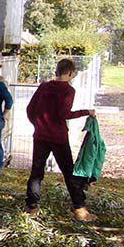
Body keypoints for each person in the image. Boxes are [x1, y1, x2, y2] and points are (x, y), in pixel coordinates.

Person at [25, 58, 97, 221]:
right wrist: (87, 112)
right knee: (69, 171)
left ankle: (31, 206)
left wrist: (38, 125)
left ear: (57, 71)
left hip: (40, 136)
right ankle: (80, 209)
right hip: (58, 137)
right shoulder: (68, 91)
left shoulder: (44, 87)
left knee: (37, 171)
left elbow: (30, 109)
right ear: (71, 73)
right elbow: (64, 114)